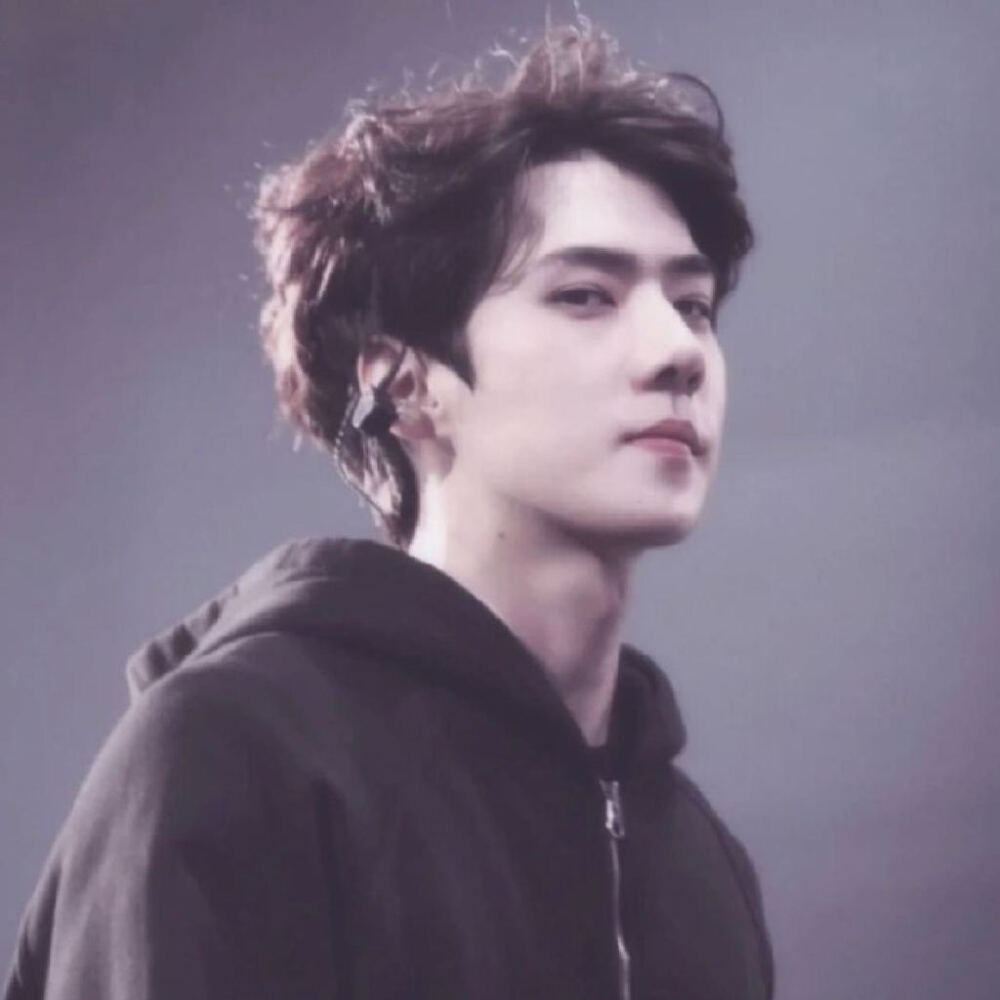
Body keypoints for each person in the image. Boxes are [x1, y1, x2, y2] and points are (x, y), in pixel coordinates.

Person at [5, 19, 774, 1000]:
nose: (678, 351)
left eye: (694, 304)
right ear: (402, 383)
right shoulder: (234, 757)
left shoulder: (700, 862)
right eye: (586, 295)